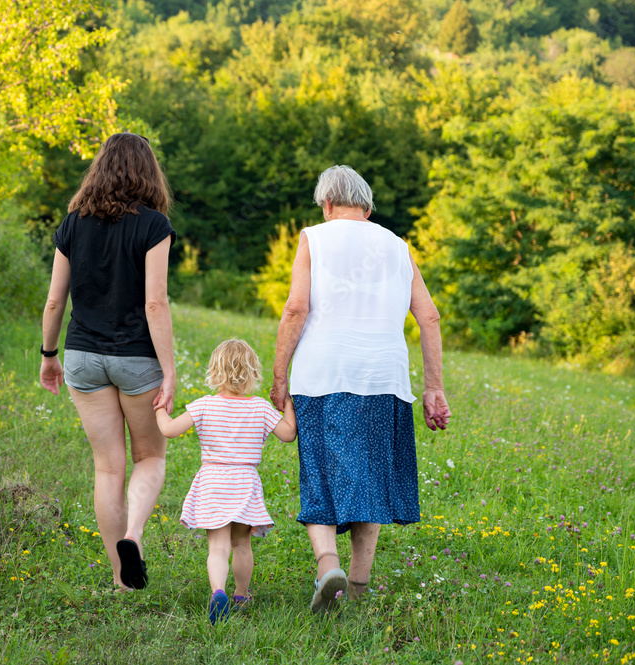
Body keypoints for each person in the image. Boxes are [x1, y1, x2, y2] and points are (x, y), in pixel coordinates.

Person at [269, 165, 452, 613]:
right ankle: (357, 588)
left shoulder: (315, 236)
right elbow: (429, 317)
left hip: (323, 375)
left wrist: (278, 378)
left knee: (321, 472)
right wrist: (434, 389)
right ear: (367, 208)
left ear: (327, 204)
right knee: (370, 479)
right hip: (384, 378)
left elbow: (296, 309)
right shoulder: (397, 245)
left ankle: (327, 562)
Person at [39, 132, 177, 591]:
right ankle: (133, 537)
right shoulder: (153, 225)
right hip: (136, 358)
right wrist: (170, 370)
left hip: (81, 356)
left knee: (107, 468)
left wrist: (48, 355)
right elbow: (155, 303)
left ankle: (121, 581)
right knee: (150, 456)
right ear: (148, 173)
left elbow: (55, 301)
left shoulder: (72, 223)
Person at [155, 338, 297, 624]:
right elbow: (289, 434)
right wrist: (287, 403)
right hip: (244, 483)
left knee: (217, 548)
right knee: (242, 544)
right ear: (252, 374)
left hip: (212, 483)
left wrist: (159, 408)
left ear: (215, 372)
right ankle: (241, 595)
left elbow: (169, 430)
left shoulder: (204, 405)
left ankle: (217, 591)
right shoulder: (260, 408)